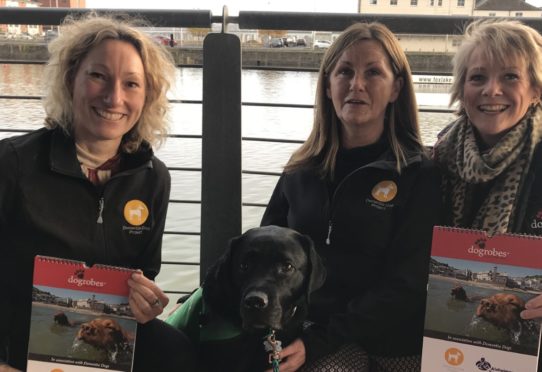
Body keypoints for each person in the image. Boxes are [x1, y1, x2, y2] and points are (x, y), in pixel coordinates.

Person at [0, 14, 194, 372]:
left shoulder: (153, 178)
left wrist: (144, 302)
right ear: (70, 78)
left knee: (179, 353)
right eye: (98, 76)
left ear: (147, 96)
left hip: (101, 338)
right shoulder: (12, 163)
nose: (114, 97)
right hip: (16, 340)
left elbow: (144, 273)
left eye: (131, 84)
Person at [261, 22, 442, 372]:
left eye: (373, 72)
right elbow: (268, 251)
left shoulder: (419, 173)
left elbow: (407, 284)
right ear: (328, 85)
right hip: (308, 332)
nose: (356, 84)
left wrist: (318, 341)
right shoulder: (300, 169)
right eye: (345, 71)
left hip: (390, 344)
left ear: (396, 88)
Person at [432, 19, 542, 371]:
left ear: (536, 90)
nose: (491, 90)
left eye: (510, 77)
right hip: (452, 347)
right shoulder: (439, 158)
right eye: (477, 77)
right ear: (462, 89)